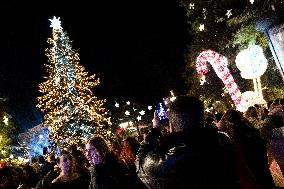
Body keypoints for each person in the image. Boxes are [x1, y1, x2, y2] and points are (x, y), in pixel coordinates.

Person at [136, 95, 240, 189]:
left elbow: (140, 165)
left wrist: (155, 130)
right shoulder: (223, 140)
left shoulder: (166, 160)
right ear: (202, 117)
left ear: (172, 124)